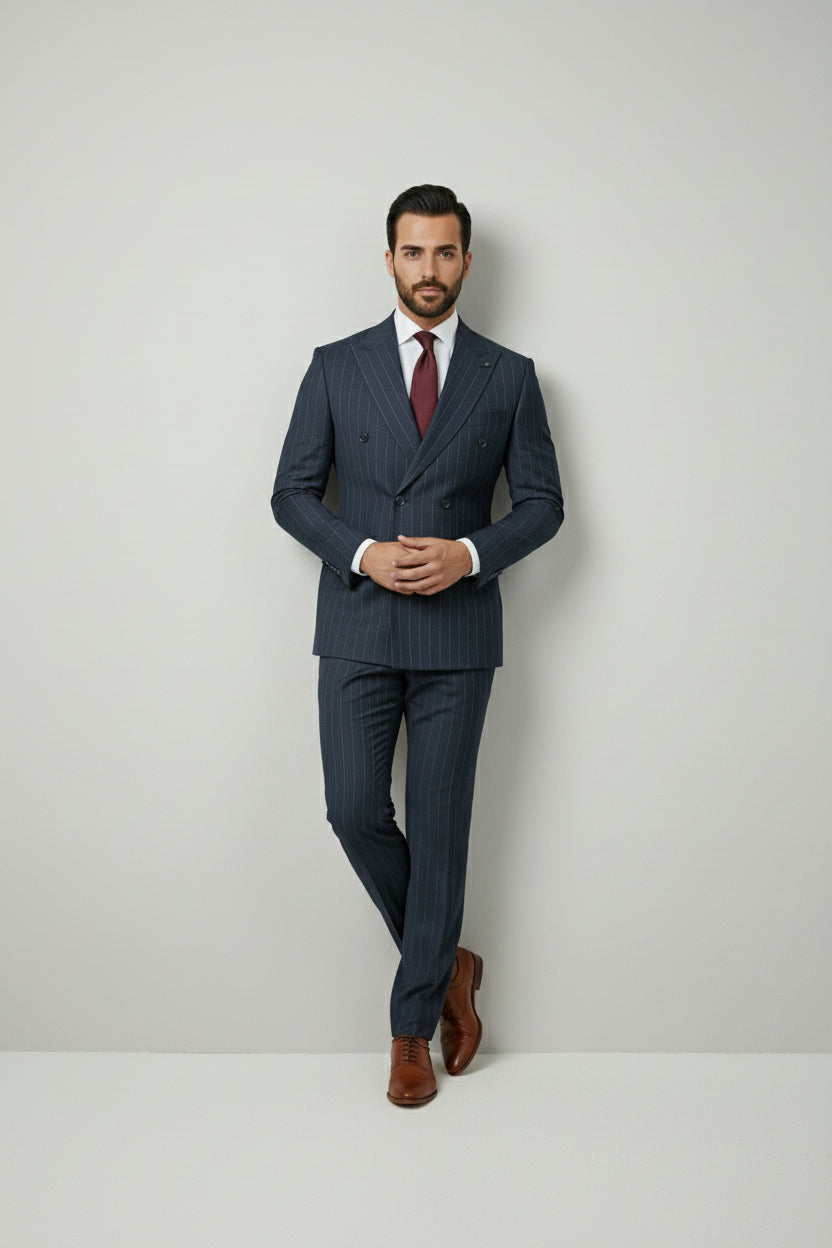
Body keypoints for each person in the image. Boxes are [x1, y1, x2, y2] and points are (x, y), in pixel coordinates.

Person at [271, 184, 564, 1107]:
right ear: (388, 258)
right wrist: (361, 551)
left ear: (467, 262)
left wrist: (470, 552)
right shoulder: (334, 365)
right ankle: (449, 964)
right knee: (353, 808)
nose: (428, 270)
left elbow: (547, 506)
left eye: (445, 254)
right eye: (413, 253)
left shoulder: (509, 375)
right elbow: (290, 493)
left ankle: (410, 1031)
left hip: (458, 634)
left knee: (440, 838)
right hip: (357, 623)